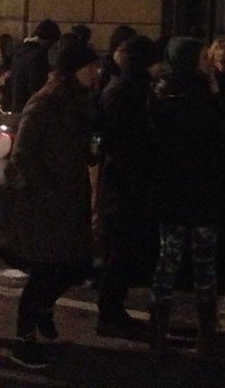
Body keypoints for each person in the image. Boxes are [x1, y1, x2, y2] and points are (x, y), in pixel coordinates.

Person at [1, 41, 100, 370]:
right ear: (72, 70)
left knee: (76, 266)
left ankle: (43, 313)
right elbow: (22, 155)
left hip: (71, 198)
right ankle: (22, 340)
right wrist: (48, 189)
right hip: (46, 203)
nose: (95, 72)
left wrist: (91, 150)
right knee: (44, 270)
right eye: (89, 66)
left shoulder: (80, 102)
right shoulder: (44, 103)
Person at [147, 38, 225, 359]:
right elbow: (218, 132)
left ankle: (157, 333)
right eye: (202, 56)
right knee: (203, 262)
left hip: (170, 188)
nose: (207, 61)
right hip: (200, 188)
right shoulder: (199, 94)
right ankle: (206, 332)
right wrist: (216, 94)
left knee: (167, 260)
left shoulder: (160, 91)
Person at [95, 35, 158, 337]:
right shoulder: (125, 90)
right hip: (125, 178)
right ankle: (109, 312)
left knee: (123, 247)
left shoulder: (130, 87)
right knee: (120, 247)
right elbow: (117, 136)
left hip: (126, 176)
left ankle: (112, 309)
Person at [10, 19, 62, 113]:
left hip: (16, 102)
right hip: (30, 106)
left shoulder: (20, 50)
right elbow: (36, 84)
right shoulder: (39, 54)